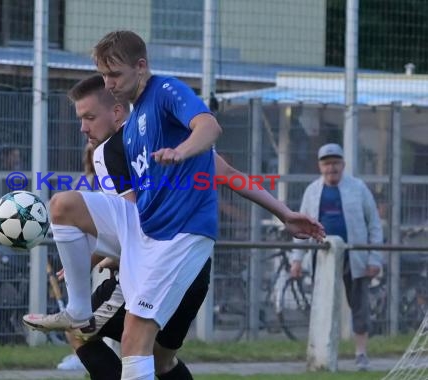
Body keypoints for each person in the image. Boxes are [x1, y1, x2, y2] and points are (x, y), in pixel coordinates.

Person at [24, 67, 324, 379]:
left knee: (81, 332)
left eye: (88, 117)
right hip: (195, 269)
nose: (83, 128)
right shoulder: (170, 132)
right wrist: (284, 213)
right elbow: (229, 175)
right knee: (162, 361)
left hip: (156, 267)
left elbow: (133, 223)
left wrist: (94, 257)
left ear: (116, 112)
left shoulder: (108, 153)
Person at [289, 142, 384, 371]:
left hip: (355, 256)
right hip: (322, 256)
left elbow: (374, 225)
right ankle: (319, 354)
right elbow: (300, 226)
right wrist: (297, 258)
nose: (331, 168)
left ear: (343, 164)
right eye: (326, 163)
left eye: (335, 163)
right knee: (321, 304)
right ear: (320, 166)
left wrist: (374, 258)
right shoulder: (312, 190)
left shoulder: (358, 188)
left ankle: (361, 354)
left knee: (359, 305)